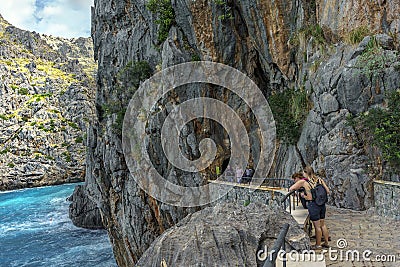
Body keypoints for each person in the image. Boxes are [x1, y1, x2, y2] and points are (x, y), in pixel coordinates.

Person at [289, 166, 330, 250]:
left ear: (305, 173)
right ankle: (326, 242)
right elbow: (328, 191)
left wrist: (302, 195)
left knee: (317, 226)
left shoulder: (303, 182)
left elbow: (292, 189)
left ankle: (318, 245)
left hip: (313, 206)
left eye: (303, 173)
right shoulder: (319, 180)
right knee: (322, 224)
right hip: (322, 205)